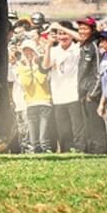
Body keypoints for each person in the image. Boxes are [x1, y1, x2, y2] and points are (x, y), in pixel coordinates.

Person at [42, 23, 83, 153]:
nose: (62, 37)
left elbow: (82, 38)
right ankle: (66, 150)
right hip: (59, 95)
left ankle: (80, 149)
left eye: (64, 34)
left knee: (77, 127)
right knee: (63, 128)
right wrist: (48, 46)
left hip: (74, 93)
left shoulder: (77, 49)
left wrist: (63, 28)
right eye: (59, 34)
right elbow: (45, 65)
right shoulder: (54, 50)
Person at [74, 17, 107, 154]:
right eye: (80, 28)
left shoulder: (95, 45)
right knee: (87, 123)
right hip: (83, 91)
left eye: (85, 28)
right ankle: (91, 149)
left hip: (92, 92)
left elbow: (99, 72)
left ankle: (100, 149)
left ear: (92, 30)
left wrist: (93, 93)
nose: (82, 31)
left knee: (96, 124)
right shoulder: (85, 45)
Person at [17, 37, 53, 153]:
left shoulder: (42, 64)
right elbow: (26, 84)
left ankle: (46, 151)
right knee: (33, 138)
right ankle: (37, 152)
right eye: (25, 51)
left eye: (30, 50)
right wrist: (28, 66)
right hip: (30, 104)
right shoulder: (22, 67)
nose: (28, 53)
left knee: (43, 136)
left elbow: (42, 80)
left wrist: (36, 65)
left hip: (44, 103)